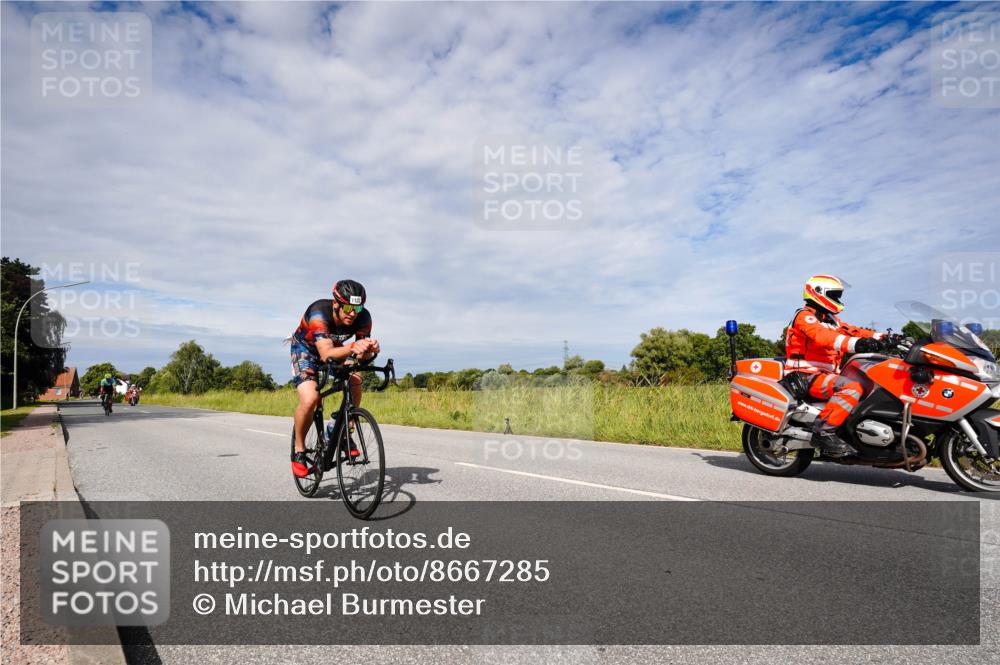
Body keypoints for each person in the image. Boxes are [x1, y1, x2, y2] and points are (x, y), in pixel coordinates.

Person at [784, 275, 884, 457]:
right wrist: (857, 344)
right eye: (834, 295)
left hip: (826, 375)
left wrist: (883, 337)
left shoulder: (831, 320)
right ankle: (824, 431)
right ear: (818, 293)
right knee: (851, 387)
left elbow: (854, 330)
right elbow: (824, 337)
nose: (838, 299)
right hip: (806, 375)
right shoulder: (805, 317)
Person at [289, 279, 380, 477]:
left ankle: (340, 428)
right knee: (311, 398)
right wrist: (353, 348)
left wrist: (370, 351)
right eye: (347, 307)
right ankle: (299, 450)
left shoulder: (363, 317)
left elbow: (359, 355)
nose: (352, 313)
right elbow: (326, 354)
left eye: (358, 307)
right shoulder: (318, 313)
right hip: (306, 350)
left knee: (355, 378)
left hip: (335, 349)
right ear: (336, 303)